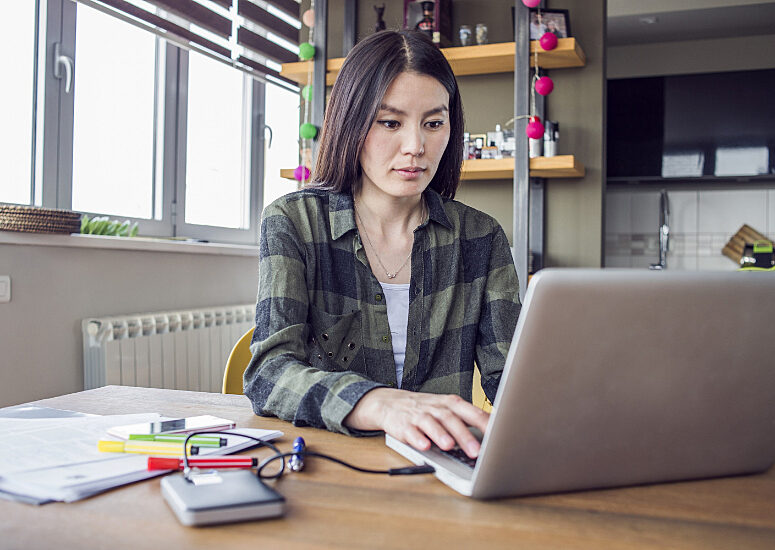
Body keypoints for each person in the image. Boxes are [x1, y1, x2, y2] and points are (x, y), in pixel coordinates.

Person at [244, 30, 521, 460]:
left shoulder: (481, 238)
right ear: (351, 124)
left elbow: (513, 381)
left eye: (434, 123)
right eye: (390, 122)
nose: (416, 147)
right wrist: (373, 402)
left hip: (443, 469)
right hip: (333, 466)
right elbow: (268, 373)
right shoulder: (294, 223)